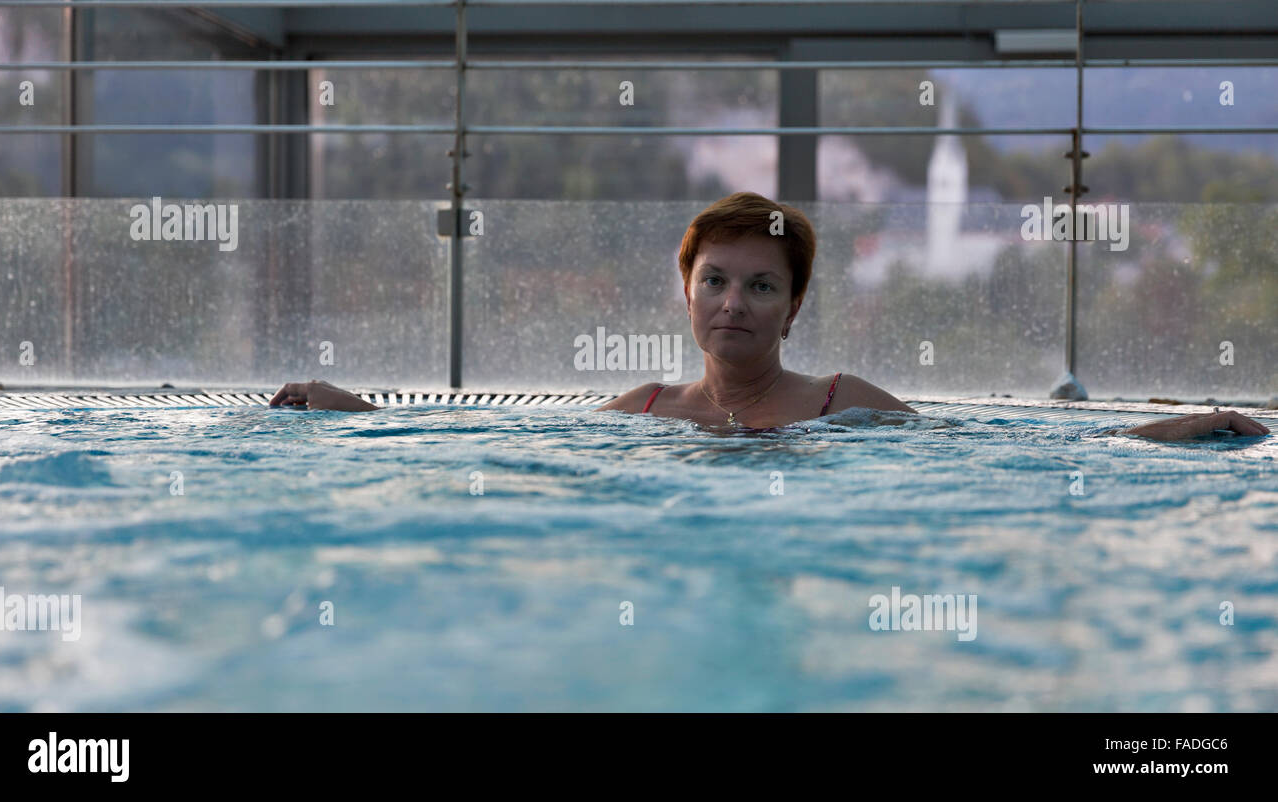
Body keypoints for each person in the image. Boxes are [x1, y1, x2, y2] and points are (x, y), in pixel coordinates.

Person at [270, 192, 1271, 442]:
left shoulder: (846, 403)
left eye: (757, 286)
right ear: (686, 291)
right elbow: (490, 447)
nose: (731, 302)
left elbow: (1004, 448)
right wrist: (351, 412)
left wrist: (1172, 428)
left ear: (792, 309)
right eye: (713, 280)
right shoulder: (648, 408)